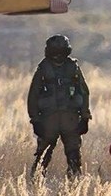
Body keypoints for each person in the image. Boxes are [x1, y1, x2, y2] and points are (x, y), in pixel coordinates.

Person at [27, 34, 91, 177]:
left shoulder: (72, 67)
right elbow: (33, 95)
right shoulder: (44, 69)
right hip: (51, 119)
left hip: (68, 118)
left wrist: (85, 117)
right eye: (55, 52)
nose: (58, 56)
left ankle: (74, 183)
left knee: (73, 154)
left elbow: (84, 92)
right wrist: (35, 120)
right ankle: (37, 181)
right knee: (43, 154)